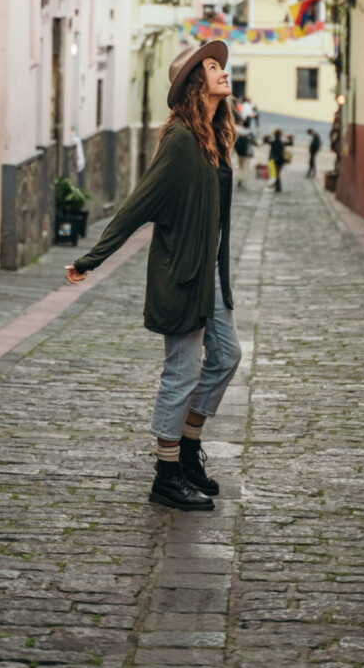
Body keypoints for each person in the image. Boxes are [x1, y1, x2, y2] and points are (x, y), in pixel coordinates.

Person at [65, 41, 242, 513]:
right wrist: (91, 258)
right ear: (193, 84)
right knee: (181, 372)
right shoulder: (182, 139)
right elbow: (138, 204)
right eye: (211, 67)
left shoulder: (215, 135)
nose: (222, 71)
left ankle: (186, 451)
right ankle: (166, 475)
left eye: (220, 66)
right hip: (183, 272)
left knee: (226, 355)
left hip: (211, 272)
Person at [264, 128, 294, 193]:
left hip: (274, 159)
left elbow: (265, 140)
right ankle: (278, 187)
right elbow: (291, 143)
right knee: (277, 174)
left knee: (276, 174)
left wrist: (270, 136)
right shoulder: (282, 142)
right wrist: (286, 136)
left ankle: (278, 187)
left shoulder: (273, 141)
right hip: (281, 159)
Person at [234, 118, 257, 189]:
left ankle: (239, 180)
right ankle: (243, 180)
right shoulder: (250, 132)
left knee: (240, 166)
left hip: (239, 152)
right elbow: (254, 142)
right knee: (245, 167)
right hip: (247, 153)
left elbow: (235, 140)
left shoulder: (239, 131)